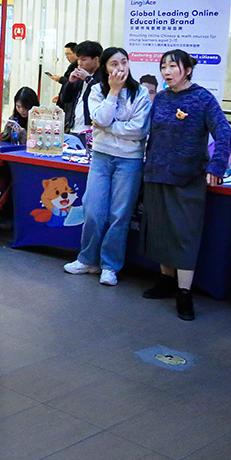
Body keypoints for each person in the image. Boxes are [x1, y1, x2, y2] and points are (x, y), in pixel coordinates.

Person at [140, 49, 231, 321]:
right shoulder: (161, 98)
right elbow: (151, 134)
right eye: (163, 67)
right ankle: (166, 281)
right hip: (156, 173)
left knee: (184, 235)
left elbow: (223, 131)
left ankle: (184, 293)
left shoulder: (202, 98)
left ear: (188, 70)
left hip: (187, 177)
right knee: (160, 232)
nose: (167, 72)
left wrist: (217, 166)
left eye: (173, 66)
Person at [64, 47, 152, 286]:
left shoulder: (141, 92)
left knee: (119, 215)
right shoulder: (96, 90)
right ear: (105, 67)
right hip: (101, 157)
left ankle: (110, 266)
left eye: (124, 62)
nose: (120, 68)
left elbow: (139, 130)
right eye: (114, 64)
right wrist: (113, 92)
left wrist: (108, 128)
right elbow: (99, 119)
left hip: (130, 160)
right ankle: (87, 260)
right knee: (93, 211)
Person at [58, 40, 102, 134]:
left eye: (84, 59)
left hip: (91, 129)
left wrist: (88, 79)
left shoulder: (104, 77)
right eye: (78, 59)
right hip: (74, 126)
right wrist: (70, 82)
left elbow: (101, 94)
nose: (80, 63)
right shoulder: (79, 75)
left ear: (96, 59)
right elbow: (65, 99)